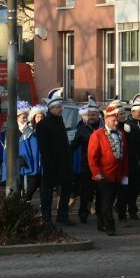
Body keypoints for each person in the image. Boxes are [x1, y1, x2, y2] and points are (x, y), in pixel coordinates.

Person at [88, 100, 128, 236]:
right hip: (104, 174)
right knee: (107, 201)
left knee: (106, 201)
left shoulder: (121, 134)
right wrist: (96, 172)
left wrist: (125, 174)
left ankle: (101, 223)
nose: (116, 123)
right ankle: (109, 225)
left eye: (117, 120)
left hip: (117, 174)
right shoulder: (97, 134)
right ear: (106, 120)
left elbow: (124, 155)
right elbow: (92, 156)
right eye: (113, 120)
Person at [35, 95, 74, 226]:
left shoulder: (60, 121)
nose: (60, 109)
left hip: (64, 163)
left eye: (60, 107)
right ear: (51, 109)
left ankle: (62, 216)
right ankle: (46, 217)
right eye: (57, 107)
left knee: (66, 189)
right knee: (47, 192)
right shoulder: (42, 125)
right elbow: (43, 147)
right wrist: (50, 163)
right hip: (51, 164)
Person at [70, 97, 101, 224]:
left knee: (101, 191)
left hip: (102, 165)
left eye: (93, 115)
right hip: (86, 164)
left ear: (98, 115)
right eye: (89, 115)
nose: (91, 117)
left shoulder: (104, 128)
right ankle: (83, 213)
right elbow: (74, 144)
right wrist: (66, 153)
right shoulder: (82, 129)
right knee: (85, 191)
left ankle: (100, 213)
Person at [119, 95, 140, 226]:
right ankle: (131, 210)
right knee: (131, 188)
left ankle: (133, 209)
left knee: (137, 188)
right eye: (139, 111)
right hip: (132, 162)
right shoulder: (128, 125)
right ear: (133, 112)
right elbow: (131, 146)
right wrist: (137, 159)